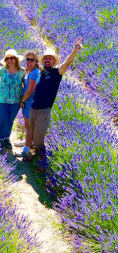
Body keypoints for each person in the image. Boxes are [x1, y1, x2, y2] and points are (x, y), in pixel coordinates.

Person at [30, 38, 83, 171]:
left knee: (39, 138)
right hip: (33, 108)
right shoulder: (40, 73)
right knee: (32, 135)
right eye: (46, 58)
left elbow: (67, 63)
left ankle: (42, 164)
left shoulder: (56, 73)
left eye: (50, 58)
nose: (48, 59)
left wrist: (75, 51)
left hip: (43, 110)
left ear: (54, 61)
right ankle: (35, 157)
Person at [15, 50, 41, 160]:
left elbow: (30, 90)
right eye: (28, 59)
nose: (29, 61)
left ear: (36, 62)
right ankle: (27, 142)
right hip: (28, 102)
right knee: (27, 125)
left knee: (29, 127)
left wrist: (22, 101)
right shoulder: (30, 71)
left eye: (32, 60)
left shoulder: (34, 73)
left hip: (30, 103)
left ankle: (26, 149)